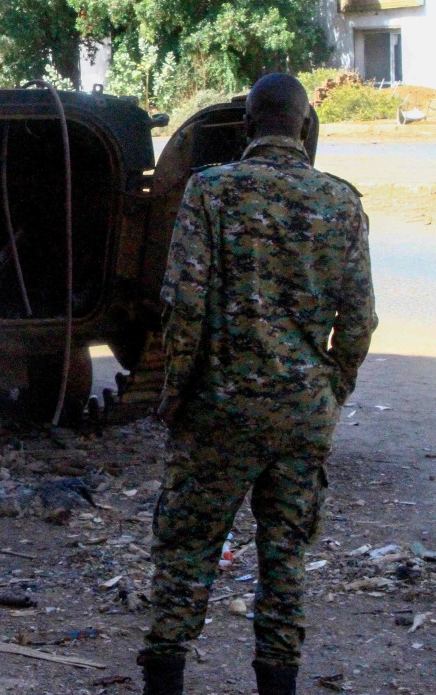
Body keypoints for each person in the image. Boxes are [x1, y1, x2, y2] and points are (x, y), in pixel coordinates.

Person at [140, 73, 377, 695]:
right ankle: (278, 685)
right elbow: (359, 320)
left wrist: (175, 395)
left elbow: (183, 305)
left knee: (186, 552)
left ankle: (165, 680)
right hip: (301, 418)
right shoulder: (341, 203)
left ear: (246, 127)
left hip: (217, 412)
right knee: (286, 559)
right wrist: (332, 392)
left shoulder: (210, 193)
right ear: (304, 127)